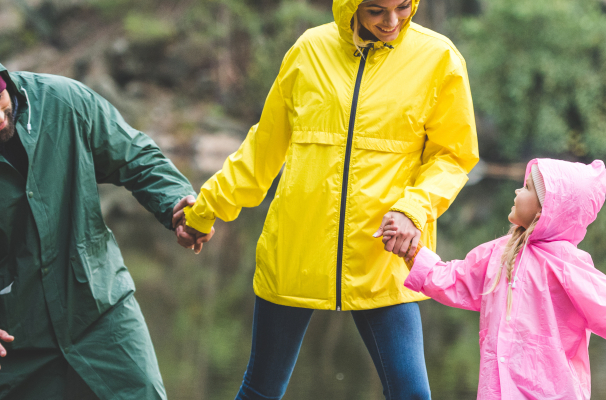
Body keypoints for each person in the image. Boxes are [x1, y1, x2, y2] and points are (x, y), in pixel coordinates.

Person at [174, 0, 478, 398]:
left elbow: (452, 157)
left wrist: (413, 208)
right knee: (260, 391)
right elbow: (261, 150)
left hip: (381, 261)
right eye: (376, 11)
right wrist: (203, 211)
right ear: (352, 6)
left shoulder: (438, 58)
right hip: (295, 252)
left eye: (403, 6)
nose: (392, 22)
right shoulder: (308, 50)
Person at [0, 31, 198, 399]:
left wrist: (175, 202)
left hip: (99, 313)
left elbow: (134, 156)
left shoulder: (65, 102)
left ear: (5, 82)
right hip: (1, 339)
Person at [396, 158, 606, 400]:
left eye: (526, 188)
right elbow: (456, 279)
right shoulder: (498, 254)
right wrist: (413, 252)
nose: (516, 191)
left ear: (545, 211)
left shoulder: (567, 265)